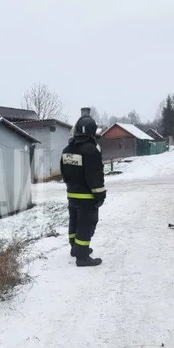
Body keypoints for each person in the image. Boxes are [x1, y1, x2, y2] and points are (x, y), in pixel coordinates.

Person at [60, 108, 106, 267]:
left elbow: (64, 173)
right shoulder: (91, 150)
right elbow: (95, 176)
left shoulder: (67, 149)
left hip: (72, 195)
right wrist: (100, 195)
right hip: (87, 197)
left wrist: (71, 187)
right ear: (92, 131)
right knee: (86, 224)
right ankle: (82, 257)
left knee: (74, 222)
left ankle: (75, 248)